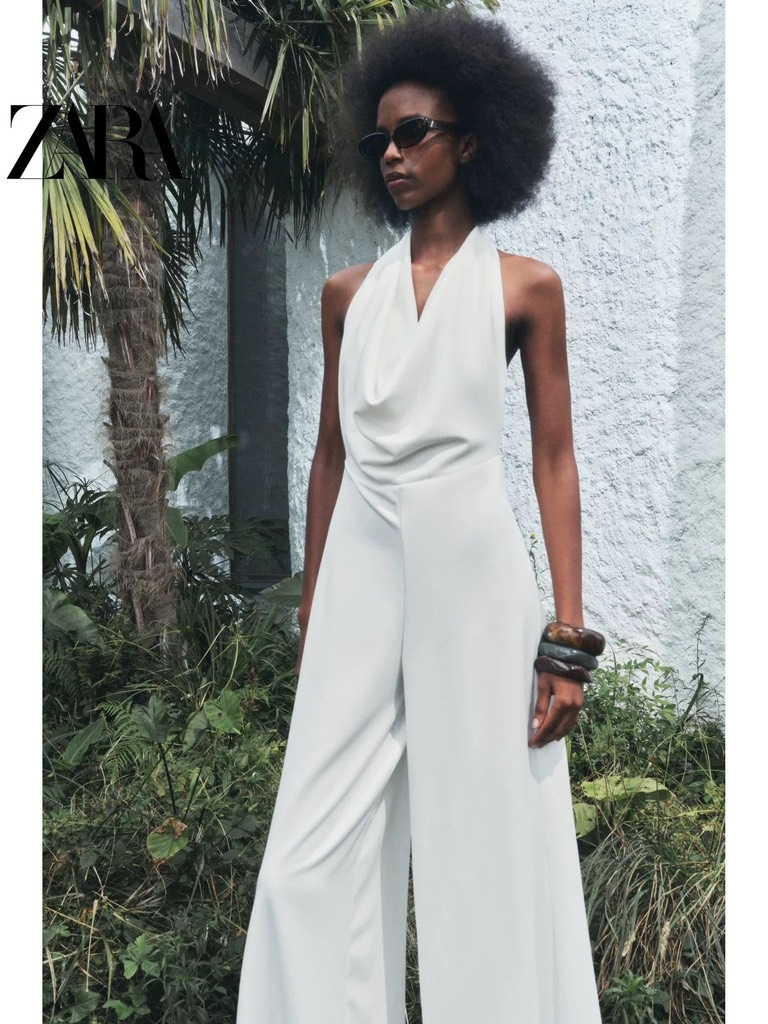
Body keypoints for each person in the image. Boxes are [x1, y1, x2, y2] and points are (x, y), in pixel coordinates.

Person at [237, 8, 605, 1023]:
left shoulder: (527, 289)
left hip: (472, 566)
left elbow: (555, 459)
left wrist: (567, 638)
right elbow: (328, 459)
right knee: (307, 856)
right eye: (380, 141)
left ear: (473, 142)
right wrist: (314, 607)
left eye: (413, 134)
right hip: (360, 563)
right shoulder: (346, 294)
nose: (392, 155)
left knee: (484, 834)